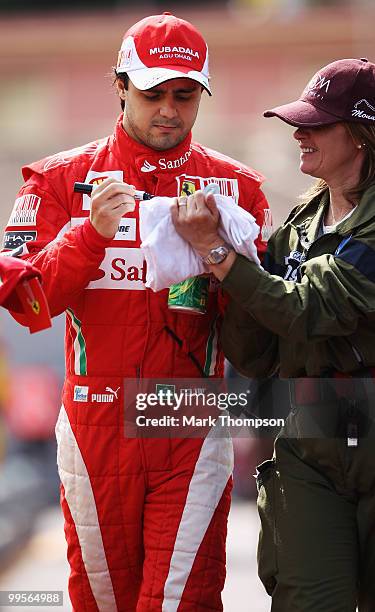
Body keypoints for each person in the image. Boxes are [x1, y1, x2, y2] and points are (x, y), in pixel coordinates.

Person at [3, 12, 270, 611]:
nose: (169, 110)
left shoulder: (238, 189)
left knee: (184, 599)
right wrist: (89, 234)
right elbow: (26, 304)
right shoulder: (54, 181)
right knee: (101, 600)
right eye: (153, 94)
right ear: (120, 85)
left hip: (193, 417)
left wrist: (216, 251)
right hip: (95, 420)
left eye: (185, 95)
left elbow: (263, 324)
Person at [172, 57, 375, 611]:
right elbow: (256, 353)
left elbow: (307, 309)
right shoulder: (303, 220)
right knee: (305, 600)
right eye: (298, 122)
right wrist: (236, 263)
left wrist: (221, 255)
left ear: (361, 135)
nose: (299, 134)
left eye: (317, 123)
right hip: (310, 439)